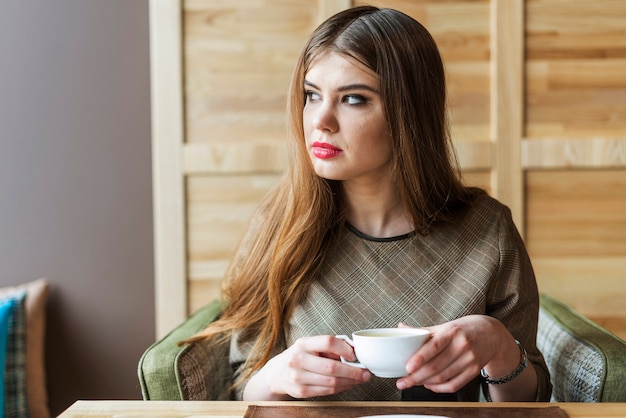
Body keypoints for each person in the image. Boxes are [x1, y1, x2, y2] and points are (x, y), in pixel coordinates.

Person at [187, 5, 551, 402]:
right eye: (312, 95)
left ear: (408, 112)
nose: (320, 120)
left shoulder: (487, 231)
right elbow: (239, 385)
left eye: (354, 99)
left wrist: (499, 348)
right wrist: (275, 378)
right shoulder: (278, 226)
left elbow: (527, 402)